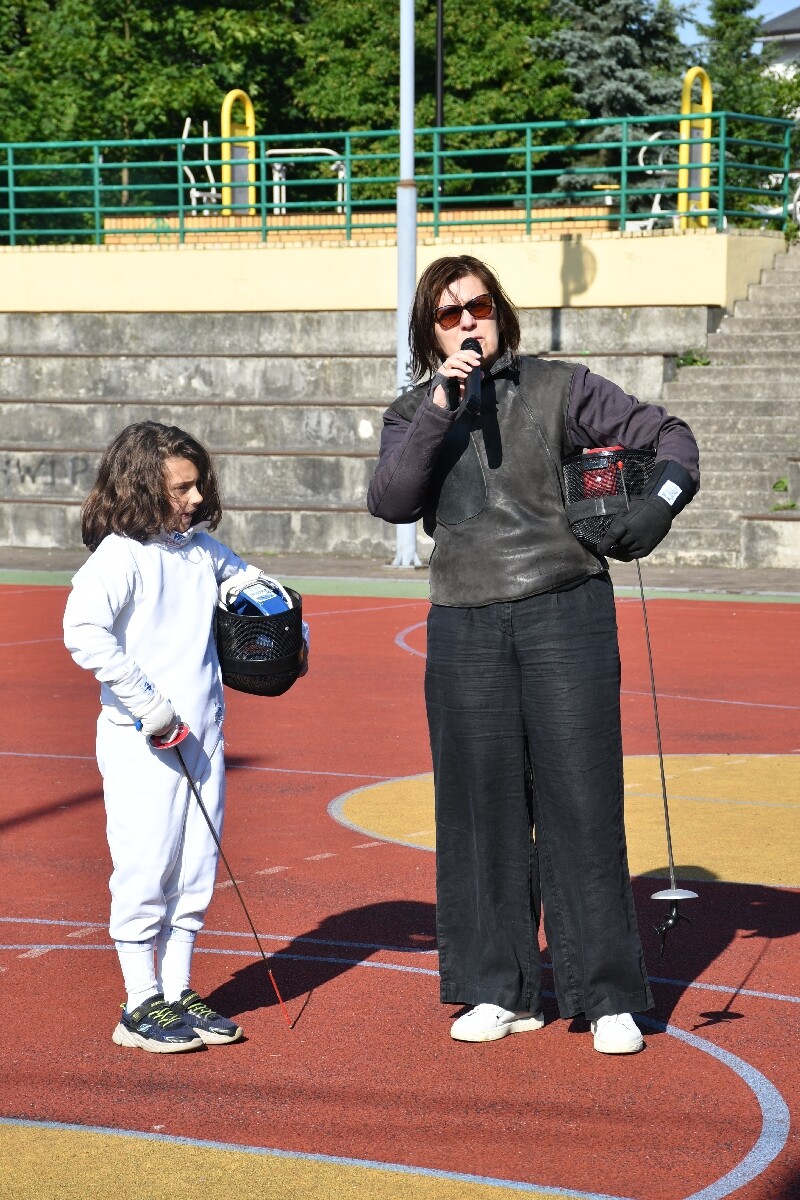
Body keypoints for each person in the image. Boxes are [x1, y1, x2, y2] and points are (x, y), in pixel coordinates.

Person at [367, 254, 699, 1054]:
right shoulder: (414, 410)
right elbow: (392, 500)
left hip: (565, 613)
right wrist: (444, 403)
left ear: (500, 311)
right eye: (449, 314)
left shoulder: (559, 385)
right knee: (479, 812)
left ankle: (606, 993)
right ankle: (496, 988)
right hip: (465, 624)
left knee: (581, 804)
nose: (467, 321)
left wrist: (658, 506)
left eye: (478, 305)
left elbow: (673, 439)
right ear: (429, 331)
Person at [64, 421, 305, 1053]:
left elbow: (251, 586)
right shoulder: (120, 556)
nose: (196, 499)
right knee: (146, 867)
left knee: (196, 868)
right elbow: (85, 632)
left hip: (204, 739)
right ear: (143, 486)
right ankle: (139, 1002)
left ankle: (177, 992)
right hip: (142, 741)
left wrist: (287, 630)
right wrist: (150, 706)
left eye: (199, 485)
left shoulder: (201, 551)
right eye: (182, 488)